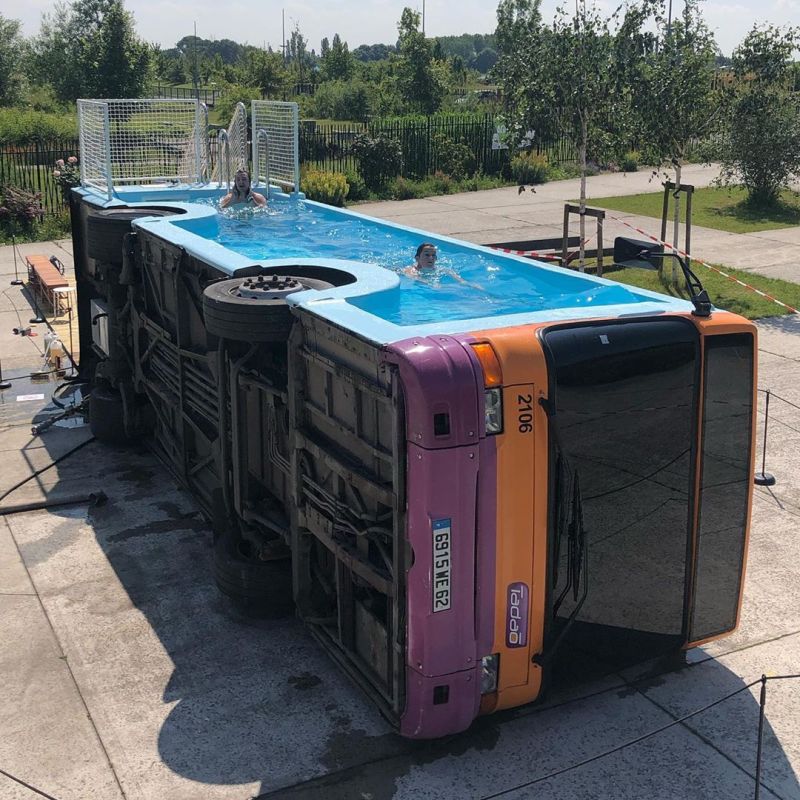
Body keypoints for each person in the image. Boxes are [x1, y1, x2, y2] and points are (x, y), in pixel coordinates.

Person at [404, 242, 483, 289]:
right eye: (427, 255)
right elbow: (415, 277)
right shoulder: (410, 269)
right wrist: (431, 283)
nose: (431, 258)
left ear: (436, 258)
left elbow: (461, 281)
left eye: (433, 255)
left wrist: (471, 285)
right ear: (417, 258)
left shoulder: (441, 269)